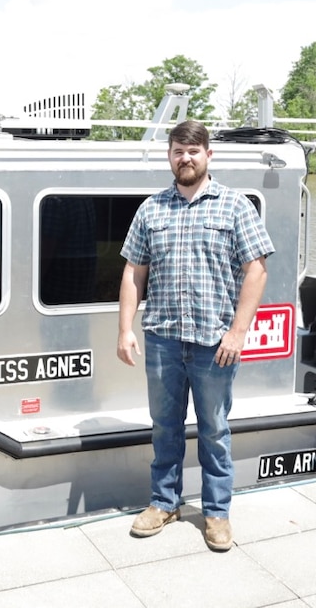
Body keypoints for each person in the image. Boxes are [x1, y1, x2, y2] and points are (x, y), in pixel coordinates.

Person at [116, 119, 274, 552]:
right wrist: (125, 329)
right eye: (178, 151)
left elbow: (256, 270)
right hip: (163, 339)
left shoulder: (235, 206)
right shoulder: (152, 209)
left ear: (208, 155)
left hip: (214, 343)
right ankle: (163, 502)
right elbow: (134, 271)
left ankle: (217, 512)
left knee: (214, 430)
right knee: (164, 427)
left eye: (193, 150)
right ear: (169, 156)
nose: (185, 158)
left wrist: (238, 332)